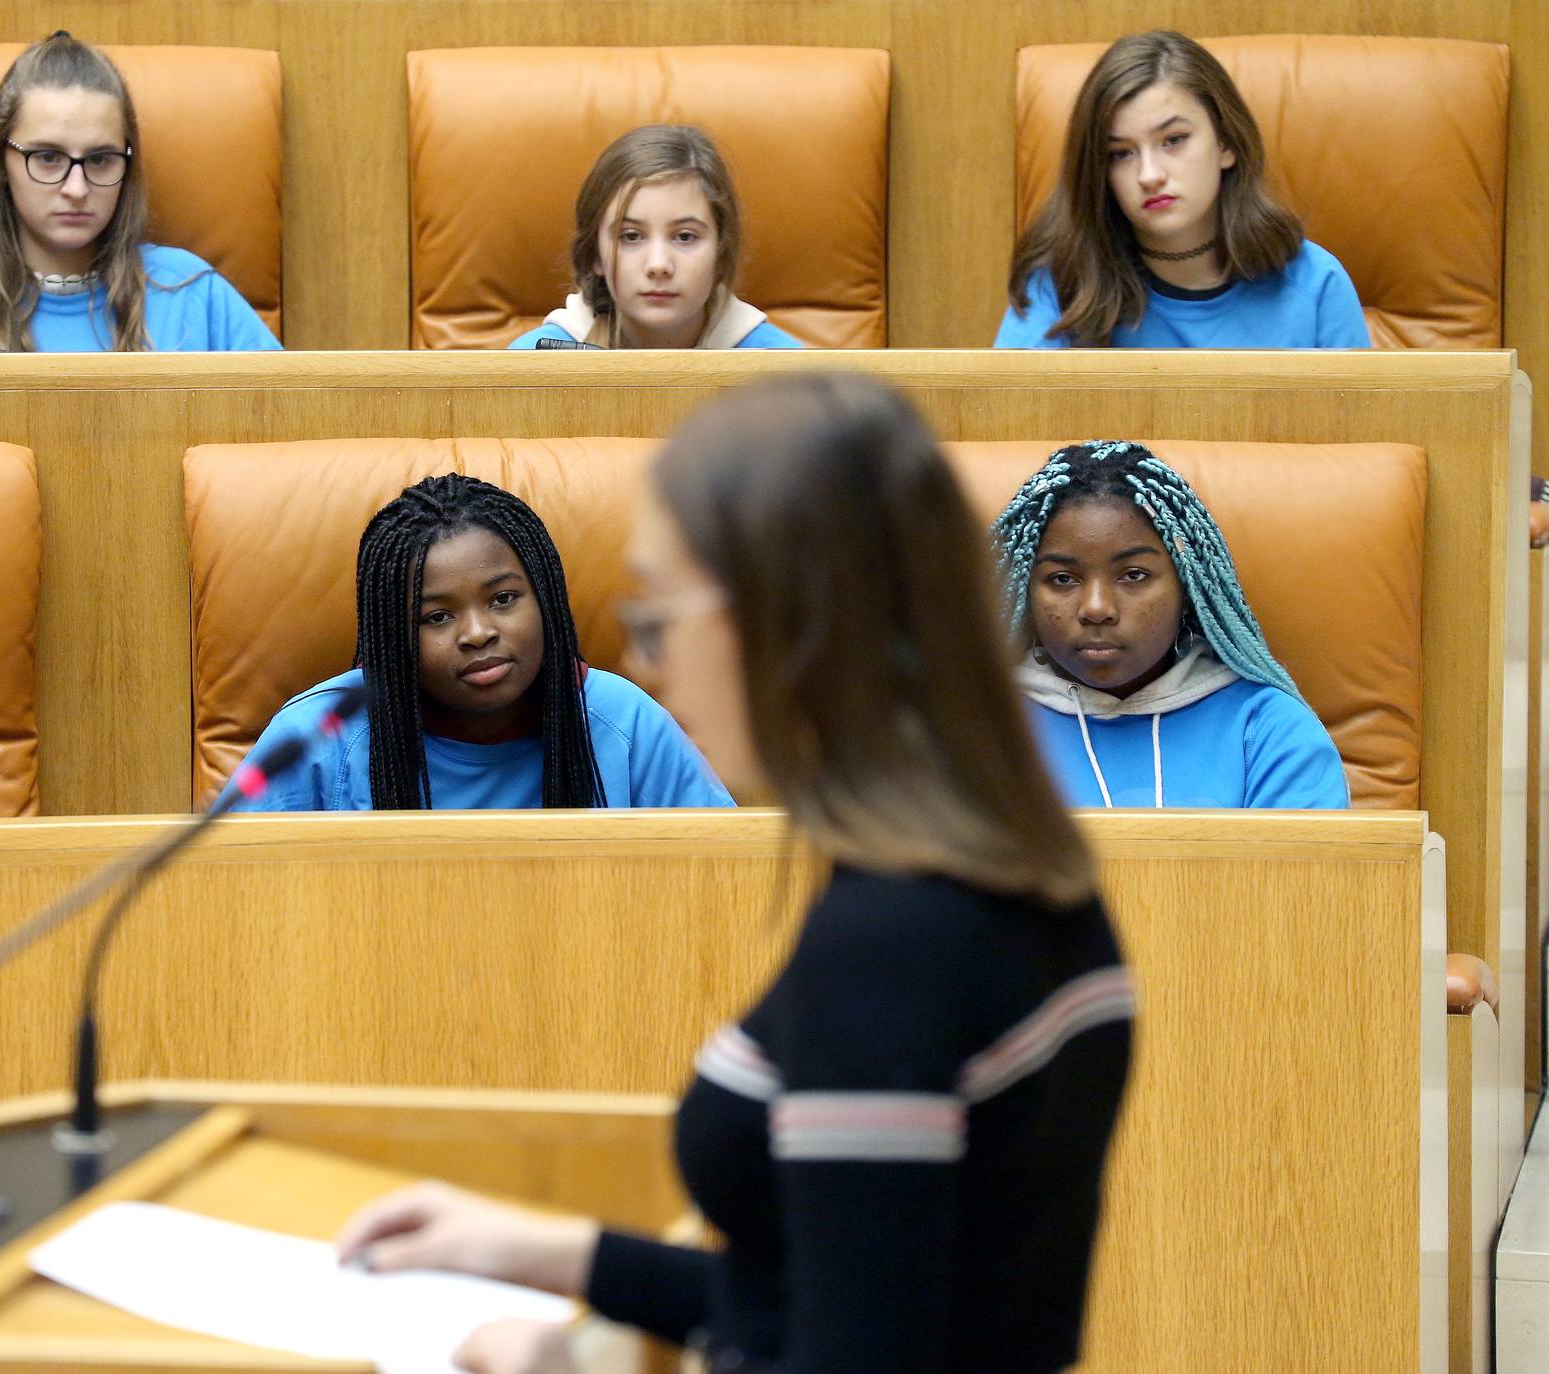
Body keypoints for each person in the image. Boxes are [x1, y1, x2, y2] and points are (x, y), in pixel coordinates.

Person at [333, 375, 1133, 1373]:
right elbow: (852, 1302)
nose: (643, 660)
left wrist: (566, 1367)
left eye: (659, 616)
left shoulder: (891, 946)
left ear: (779, 617)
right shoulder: (1016, 873)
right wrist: (546, 1253)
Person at [225, 474, 732, 811]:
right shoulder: (319, 734)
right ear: (393, 635)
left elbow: (723, 882)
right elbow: (229, 899)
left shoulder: (622, 722)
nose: (477, 633)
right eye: (438, 616)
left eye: (504, 599)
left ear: (547, 599)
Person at [0, 31, 278, 354]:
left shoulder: (192, 293)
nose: (77, 188)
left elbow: (283, 446)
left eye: (100, 159)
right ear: (1, 163)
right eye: (47, 158)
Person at [990, 440, 1350, 809]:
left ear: (1187, 589)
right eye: (1063, 579)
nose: (1096, 608)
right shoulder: (978, 733)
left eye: (1133, 575)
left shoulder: (1266, 730)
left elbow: (1308, 869)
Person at [996, 30, 1369, 349]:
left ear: (1226, 144)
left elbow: (1364, 431)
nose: (1149, 174)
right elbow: (1015, 428)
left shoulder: (1316, 285)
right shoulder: (1062, 285)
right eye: (1121, 154)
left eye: (1173, 140)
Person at [508, 125, 802, 351]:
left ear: (721, 254)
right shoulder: (528, 367)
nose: (659, 265)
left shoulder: (787, 371)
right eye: (631, 236)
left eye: (685, 237)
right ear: (595, 254)